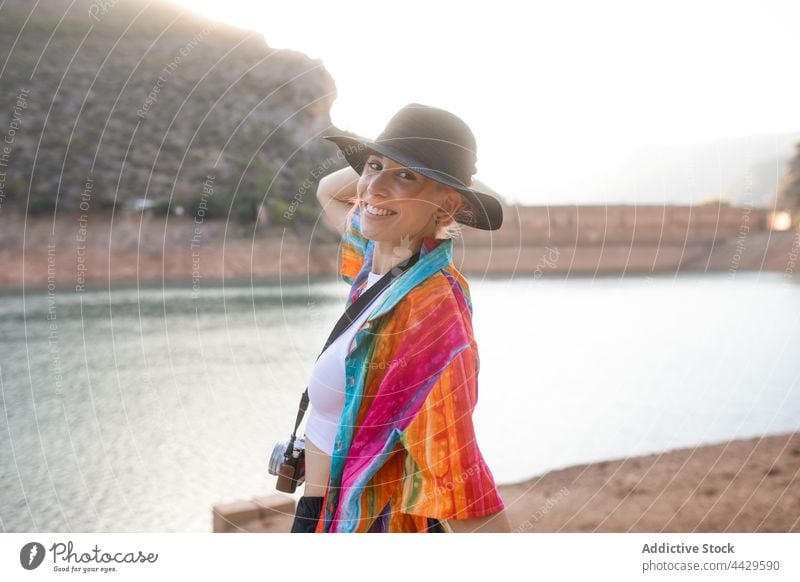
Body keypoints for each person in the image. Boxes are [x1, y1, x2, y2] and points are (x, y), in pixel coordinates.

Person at [290, 103, 512, 533]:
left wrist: (446, 182)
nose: (372, 188)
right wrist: (391, 169)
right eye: (372, 168)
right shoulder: (380, 261)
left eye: (406, 176)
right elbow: (326, 190)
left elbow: (460, 478)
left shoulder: (431, 317)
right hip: (324, 516)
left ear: (445, 209)